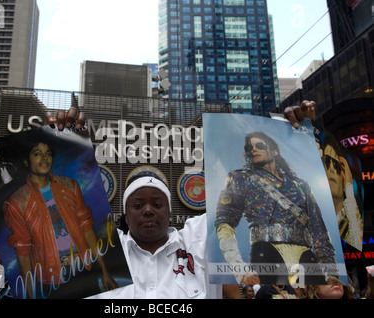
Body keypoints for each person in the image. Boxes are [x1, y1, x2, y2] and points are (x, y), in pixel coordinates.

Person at [49, 100, 318, 299]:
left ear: (169, 211)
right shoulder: (102, 253)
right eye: (138, 205)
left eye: (157, 204)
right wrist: (59, 144)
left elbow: (268, 194)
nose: (148, 211)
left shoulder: (199, 240)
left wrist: (296, 136)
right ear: (125, 215)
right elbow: (60, 208)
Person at [214, 130, 337, 285]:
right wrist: (238, 269)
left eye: (259, 145)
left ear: (274, 151)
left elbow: (319, 230)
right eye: (248, 148)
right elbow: (223, 221)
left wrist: (331, 272)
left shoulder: (301, 186)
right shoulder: (240, 178)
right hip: (266, 252)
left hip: (305, 253)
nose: (253, 150)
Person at [3, 134, 117, 299]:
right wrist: (30, 294)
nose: (44, 158)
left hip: (85, 273)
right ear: (26, 162)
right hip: (52, 283)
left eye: (48, 153)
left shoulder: (70, 186)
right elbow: (22, 251)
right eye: (37, 153)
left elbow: (87, 228)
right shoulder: (16, 203)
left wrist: (104, 271)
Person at [321, 135, 363, 250]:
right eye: (326, 161)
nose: (330, 169)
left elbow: (356, 240)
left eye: (336, 165)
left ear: (345, 176)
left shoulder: (352, 223)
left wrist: (349, 189)